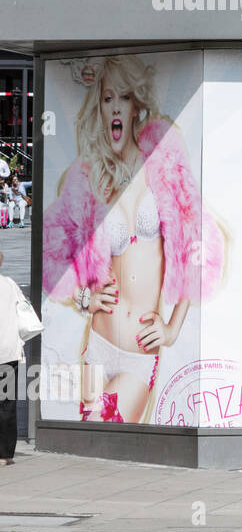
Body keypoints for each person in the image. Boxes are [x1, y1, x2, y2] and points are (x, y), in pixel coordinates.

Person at [42, 56, 224, 424]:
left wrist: (172, 328)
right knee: (94, 444)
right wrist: (83, 298)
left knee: (100, 426)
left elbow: (197, 244)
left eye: (123, 97)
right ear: (100, 106)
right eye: (108, 98)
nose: (115, 107)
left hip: (139, 354)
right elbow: (52, 251)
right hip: (97, 345)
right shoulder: (89, 178)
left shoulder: (162, 165)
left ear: (135, 106)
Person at [0, 251, 40, 465]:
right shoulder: (9, 284)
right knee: (6, 403)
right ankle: (5, 454)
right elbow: (23, 307)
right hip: (8, 352)